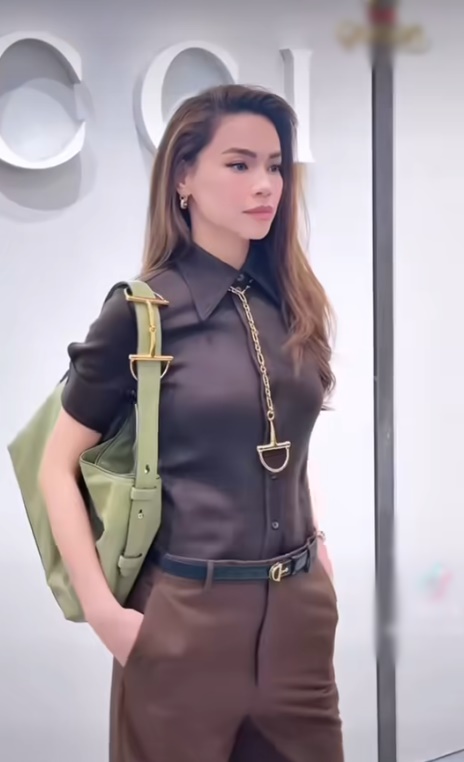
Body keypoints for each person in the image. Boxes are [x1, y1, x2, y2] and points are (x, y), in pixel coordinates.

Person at [39, 83, 343, 762]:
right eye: (239, 164)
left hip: (299, 619)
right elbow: (56, 467)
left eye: (274, 165)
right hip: (185, 621)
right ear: (183, 177)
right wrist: (106, 616)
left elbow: (290, 441)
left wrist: (318, 549)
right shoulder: (142, 314)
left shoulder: (294, 303)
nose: (264, 184)